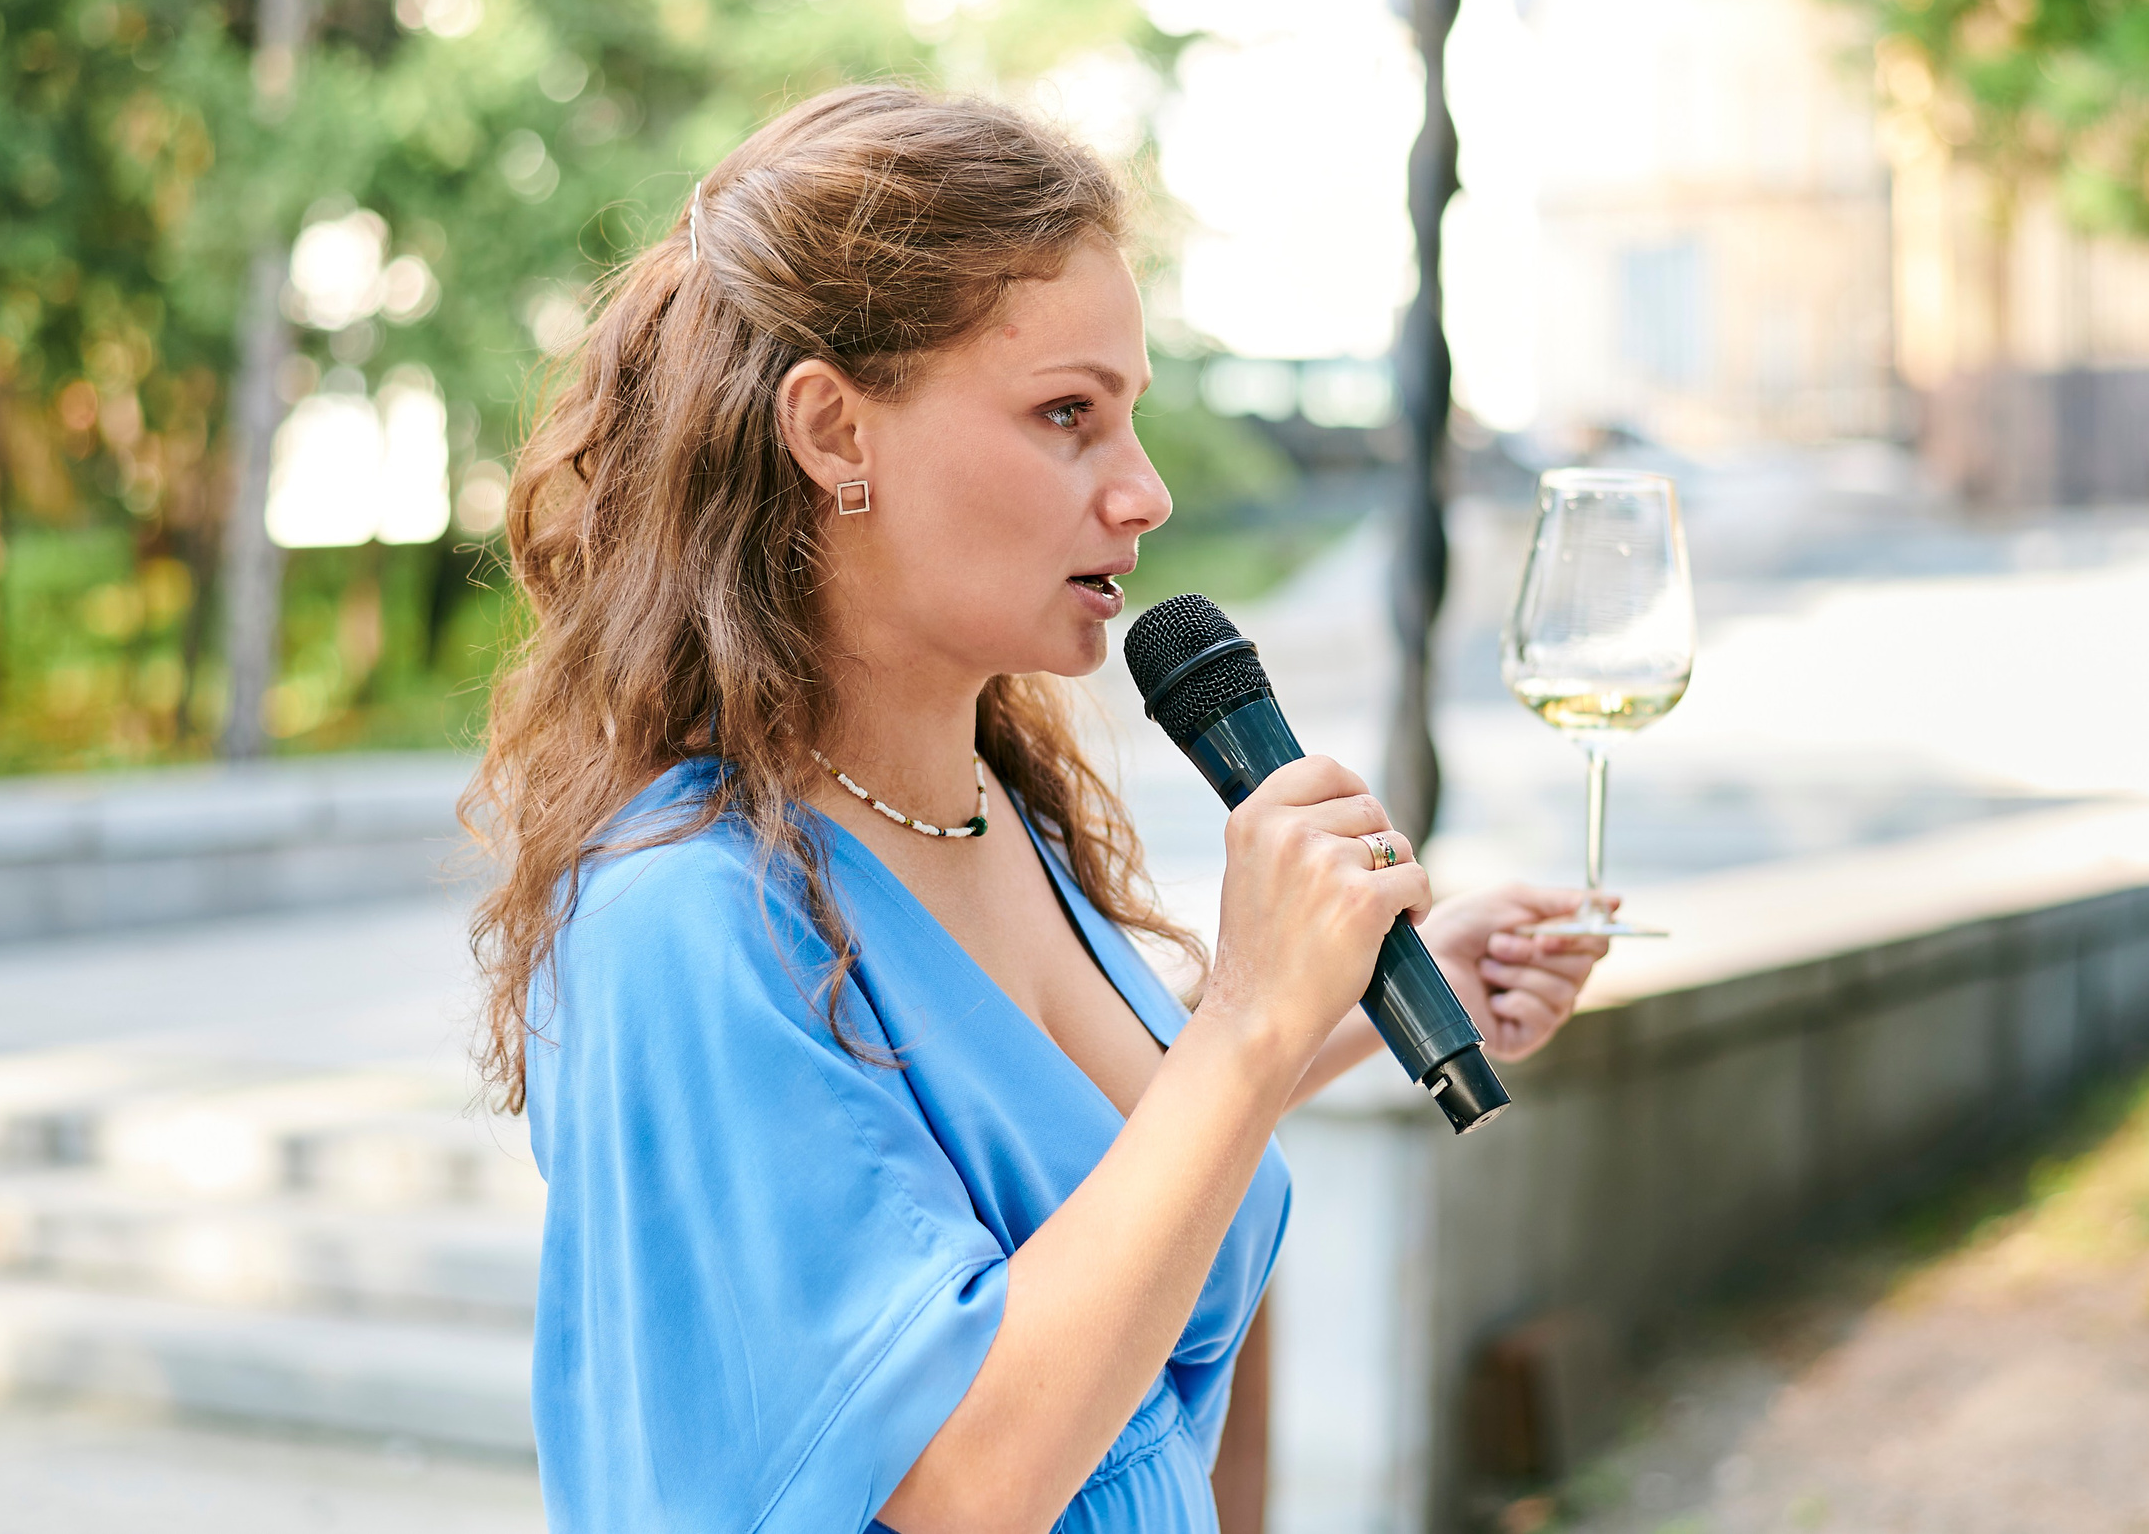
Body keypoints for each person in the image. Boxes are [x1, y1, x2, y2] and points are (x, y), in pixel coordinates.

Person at [465, 84, 1613, 1534]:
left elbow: (1083, 1165)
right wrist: (1255, 1021)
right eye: (1067, 415)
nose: (1143, 495)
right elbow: (970, 1467)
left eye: (1126, 418)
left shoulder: (990, 808)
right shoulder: (686, 917)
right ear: (834, 433)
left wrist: (1359, 1001)